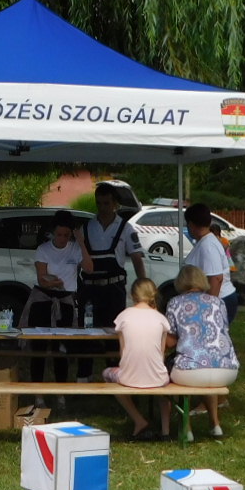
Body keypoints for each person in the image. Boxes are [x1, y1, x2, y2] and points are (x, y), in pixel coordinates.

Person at [76, 182, 146, 379]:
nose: (103, 208)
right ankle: (83, 379)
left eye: (106, 203)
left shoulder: (126, 228)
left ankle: (115, 378)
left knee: (114, 336)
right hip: (89, 290)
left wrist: (143, 287)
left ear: (115, 203)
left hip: (114, 290)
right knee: (86, 336)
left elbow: (137, 259)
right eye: (99, 203)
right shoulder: (87, 227)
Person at [166, 264, 239, 437]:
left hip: (192, 370)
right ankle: (215, 424)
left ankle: (187, 428)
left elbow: (170, 342)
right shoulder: (218, 302)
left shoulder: (175, 303)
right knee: (208, 371)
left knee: (172, 368)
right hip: (226, 368)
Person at [103, 278, 174, 440]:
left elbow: (123, 352)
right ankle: (166, 431)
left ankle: (138, 419)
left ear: (132, 295)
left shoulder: (123, 316)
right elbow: (161, 353)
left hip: (128, 377)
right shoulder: (161, 319)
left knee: (107, 374)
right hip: (157, 377)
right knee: (165, 391)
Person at [26, 211, 83, 389]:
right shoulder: (43, 249)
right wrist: (55, 283)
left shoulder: (75, 248)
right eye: (59, 234)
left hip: (66, 299)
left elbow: (89, 267)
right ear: (53, 232)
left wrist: (81, 242)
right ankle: (37, 391)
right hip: (44, 299)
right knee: (39, 348)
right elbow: (42, 278)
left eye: (66, 235)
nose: (62, 239)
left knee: (62, 348)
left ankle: (61, 390)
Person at [183, 202, 239, 326]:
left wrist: (209, 308)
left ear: (191, 224)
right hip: (217, 299)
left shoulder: (208, 246)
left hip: (220, 299)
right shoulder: (205, 242)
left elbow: (216, 278)